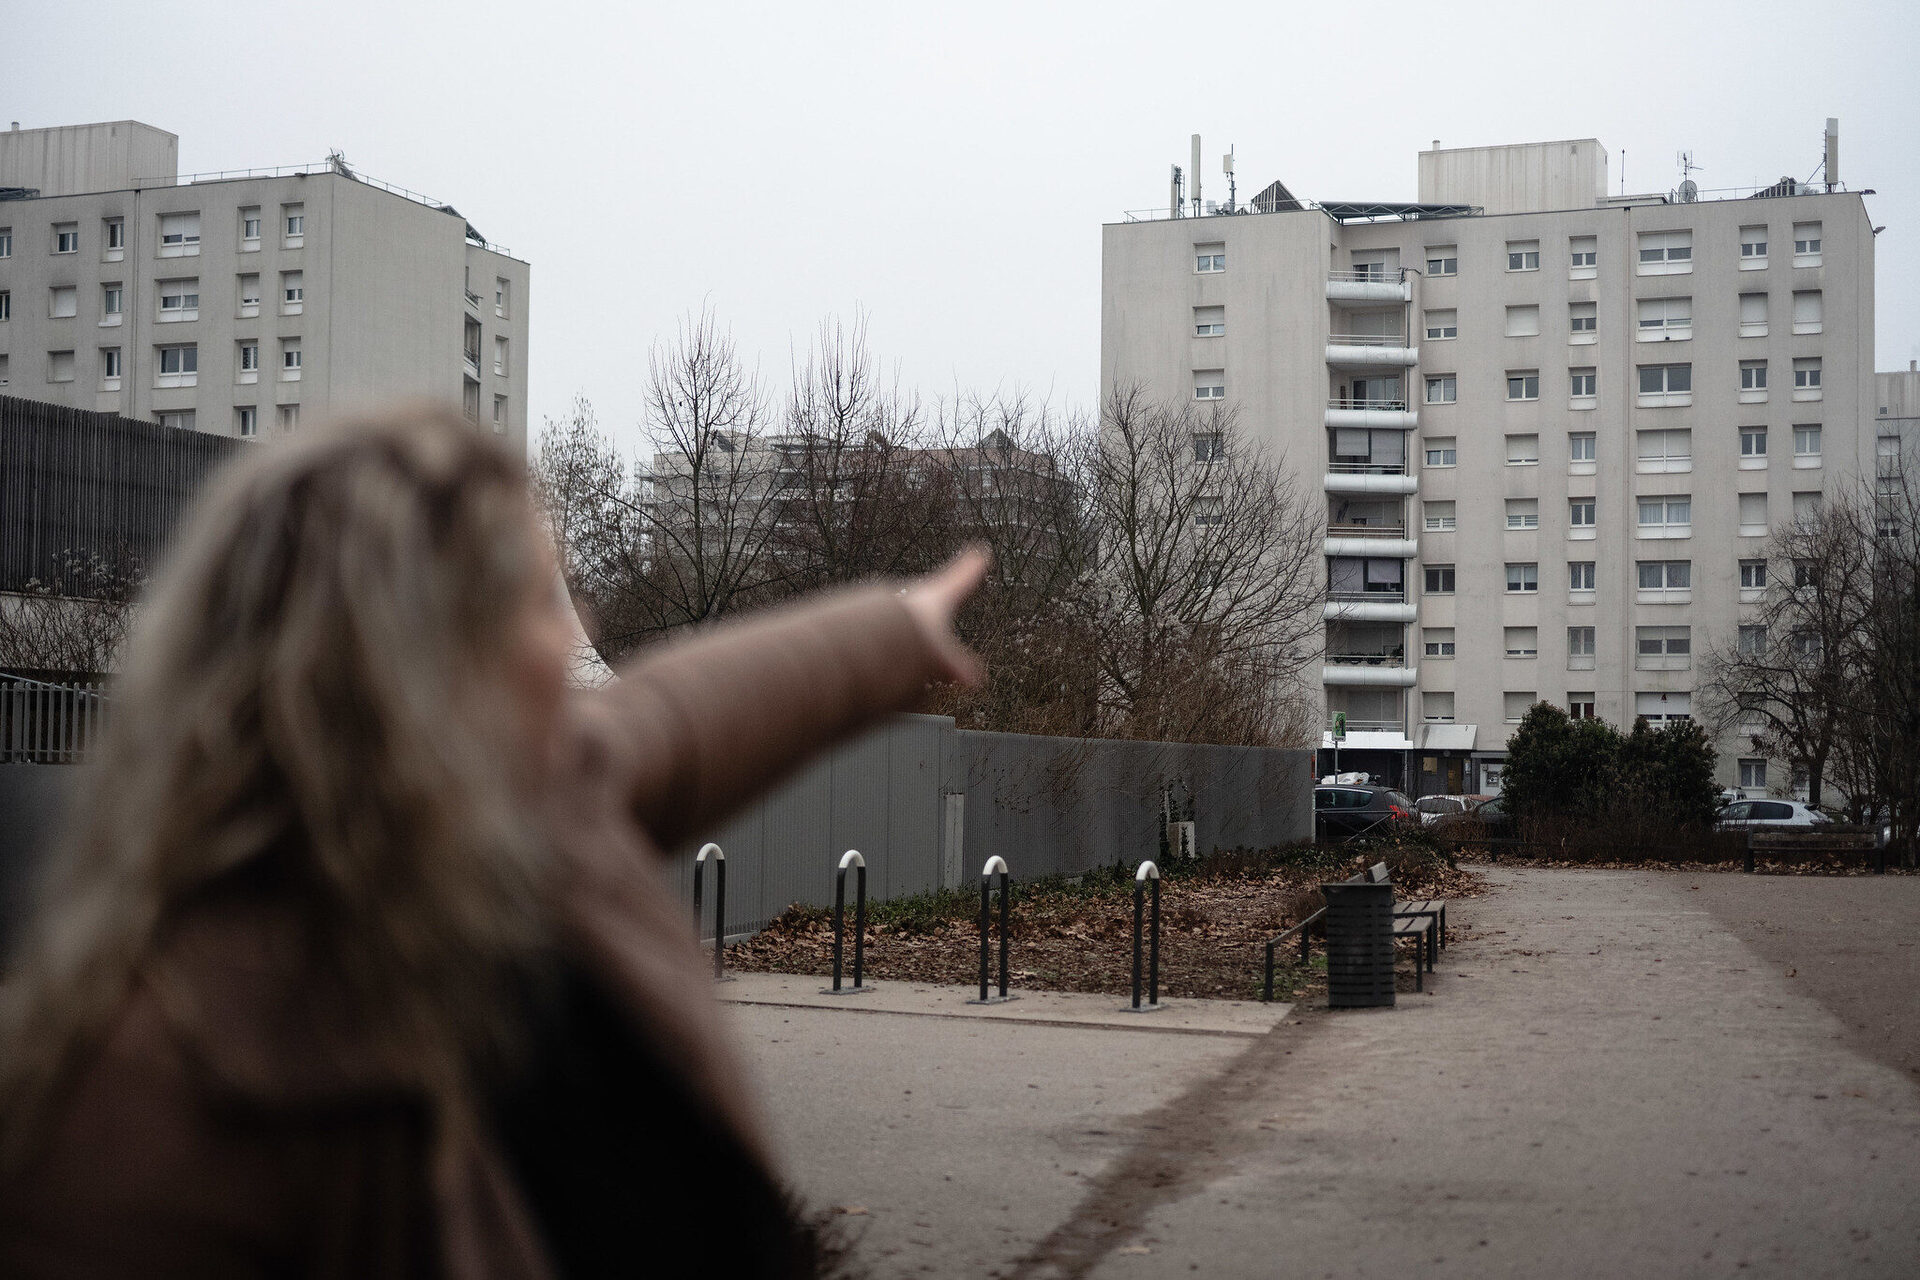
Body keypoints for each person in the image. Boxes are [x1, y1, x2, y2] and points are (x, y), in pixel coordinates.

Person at [0, 408, 985, 1278]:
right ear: (407, 655)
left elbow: (688, 714)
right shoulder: (135, 1094)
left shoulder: (527, 805)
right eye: (538, 595)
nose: (578, 626)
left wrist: (898, 628)